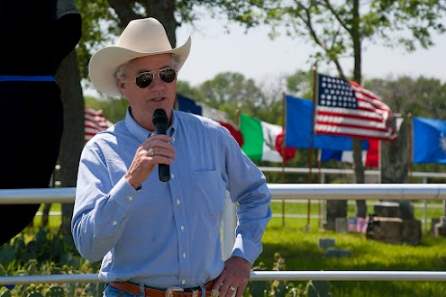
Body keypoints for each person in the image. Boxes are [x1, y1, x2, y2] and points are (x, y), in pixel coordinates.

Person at [72, 17, 271, 297]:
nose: (158, 87)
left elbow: (255, 193)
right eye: (144, 78)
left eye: (167, 74)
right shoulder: (101, 151)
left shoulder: (212, 136)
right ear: (122, 86)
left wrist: (242, 257)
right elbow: (88, 246)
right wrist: (130, 182)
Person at [0, 0, 81, 245]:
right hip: (40, 107)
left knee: (18, 204)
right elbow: (71, 25)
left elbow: (70, 26)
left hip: (38, 111)